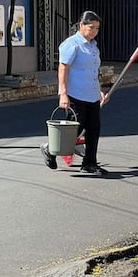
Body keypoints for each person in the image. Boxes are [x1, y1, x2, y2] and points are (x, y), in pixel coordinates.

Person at [41, 10, 108, 176]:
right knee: (75, 130)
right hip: (76, 95)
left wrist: (99, 90)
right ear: (81, 25)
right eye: (91, 28)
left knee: (94, 129)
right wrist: (63, 93)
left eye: (97, 29)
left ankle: (90, 163)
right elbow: (63, 68)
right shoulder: (72, 44)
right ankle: (50, 148)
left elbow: (93, 70)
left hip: (91, 94)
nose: (94, 32)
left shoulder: (93, 46)